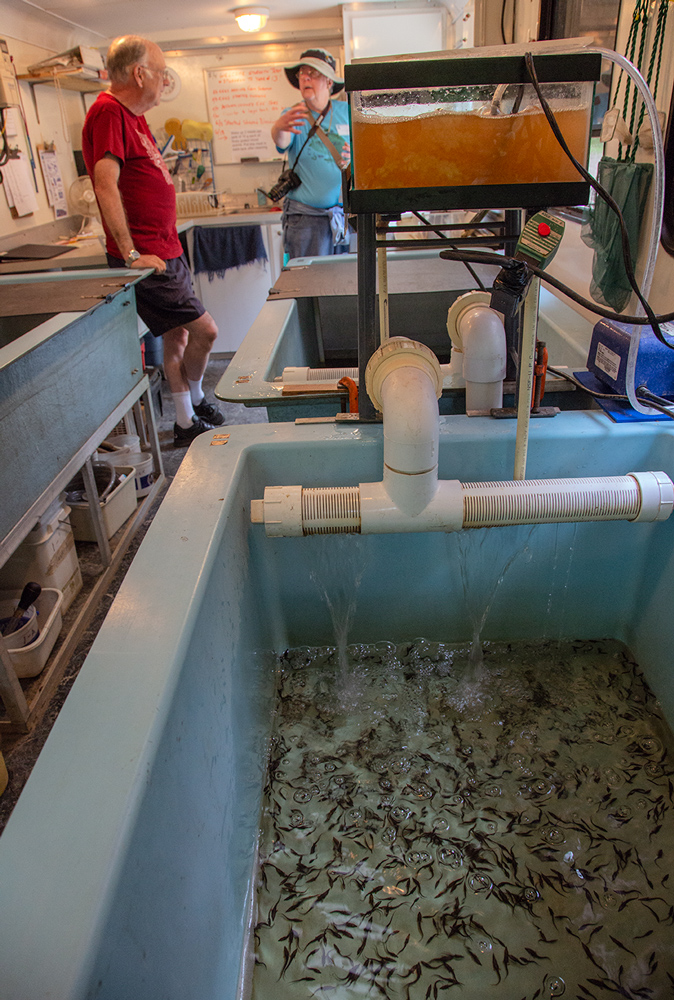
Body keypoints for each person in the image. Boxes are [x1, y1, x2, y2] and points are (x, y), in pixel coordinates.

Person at [82, 35, 225, 447]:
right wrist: (130, 254)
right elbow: (104, 185)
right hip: (147, 255)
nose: (164, 81)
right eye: (161, 73)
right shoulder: (109, 112)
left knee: (178, 334)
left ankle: (185, 420)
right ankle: (196, 400)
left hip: (166, 249)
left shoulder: (135, 116)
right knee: (206, 332)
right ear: (138, 72)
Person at [271, 49, 351, 260]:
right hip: (305, 219)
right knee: (307, 284)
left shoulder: (347, 112)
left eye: (313, 73)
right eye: (302, 73)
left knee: (348, 284)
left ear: (329, 82)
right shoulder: (293, 115)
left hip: (345, 217)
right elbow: (282, 142)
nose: (305, 77)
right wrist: (278, 128)